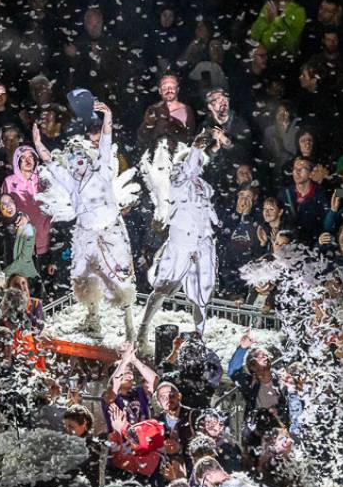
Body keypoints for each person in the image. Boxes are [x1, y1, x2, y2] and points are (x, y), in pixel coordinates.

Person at [34, 102, 138, 339]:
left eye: (80, 157)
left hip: (110, 234)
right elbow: (50, 163)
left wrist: (108, 115)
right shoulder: (71, 183)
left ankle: (129, 326)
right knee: (84, 277)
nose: (77, 162)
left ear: (88, 159)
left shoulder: (101, 169)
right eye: (72, 160)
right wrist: (39, 144)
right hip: (86, 237)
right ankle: (93, 318)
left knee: (120, 278)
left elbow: (105, 141)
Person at [137, 137, 219, 352]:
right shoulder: (177, 178)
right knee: (162, 288)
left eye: (200, 161)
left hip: (202, 244)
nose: (197, 164)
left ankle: (199, 336)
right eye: (194, 160)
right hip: (181, 243)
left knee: (201, 295)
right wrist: (194, 149)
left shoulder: (204, 187)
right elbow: (184, 176)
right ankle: (143, 329)